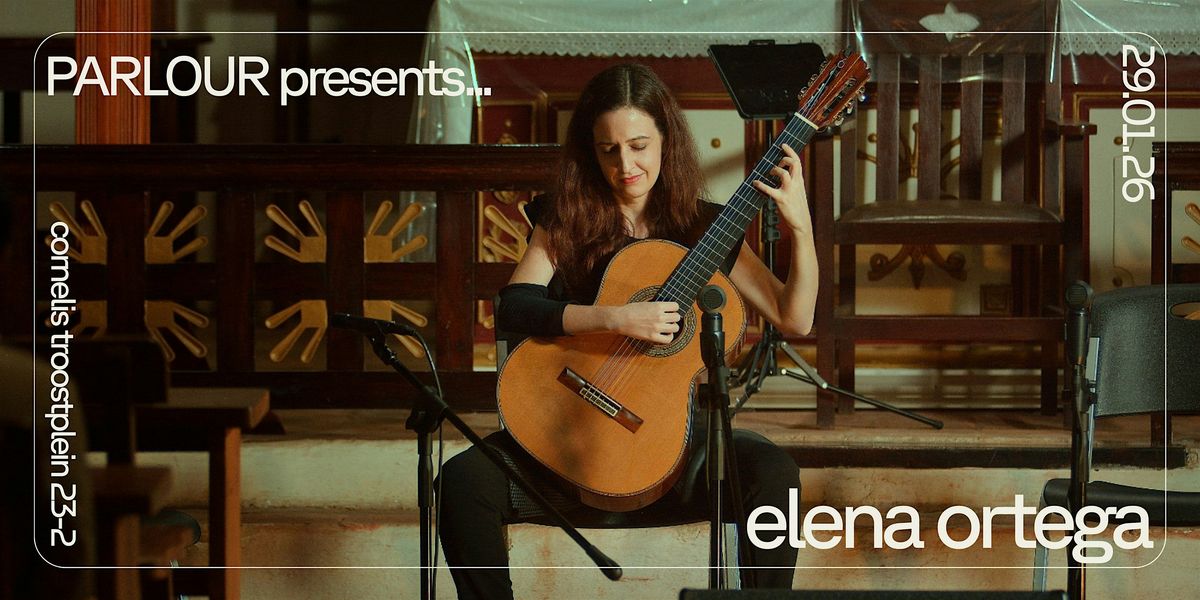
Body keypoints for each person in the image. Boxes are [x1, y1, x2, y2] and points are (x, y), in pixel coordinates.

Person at [437, 63, 818, 600]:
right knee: (463, 481)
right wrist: (615, 317)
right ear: (590, 152)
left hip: (666, 451)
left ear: (667, 140)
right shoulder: (566, 218)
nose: (626, 165)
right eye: (608, 150)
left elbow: (794, 317)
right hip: (568, 438)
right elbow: (516, 307)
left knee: (772, 472)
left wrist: (800, 227)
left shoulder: (709, 226)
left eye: (639, 146)